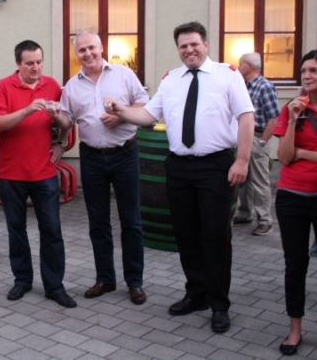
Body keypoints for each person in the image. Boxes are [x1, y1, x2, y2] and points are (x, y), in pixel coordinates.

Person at [108, 21, 254, 333]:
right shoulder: (171, 80)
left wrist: (242, 160)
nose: (189, 50)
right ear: (178, 49)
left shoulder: (228, 76)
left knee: (215, 237)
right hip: (178, 167)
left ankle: (219, 304)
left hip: (215, 166)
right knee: (186, 236)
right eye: (183, 46)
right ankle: (196, 294)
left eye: (194, 44)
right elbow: (147, 116)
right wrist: (121, 110)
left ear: (205, 45)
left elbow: (246, 117)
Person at [52, 30, 149, 306]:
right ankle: (105, 278)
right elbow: (67, 121)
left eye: (91, 48)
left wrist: (121, 117)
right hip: (92, 157)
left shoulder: (123, 75)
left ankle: (134, 282)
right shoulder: (71, 86)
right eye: (82, 50)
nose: (88, 53)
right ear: (76, 54)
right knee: (98, 222)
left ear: (101, 47)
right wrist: (55, 116)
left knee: (131, 220)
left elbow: (144, 104)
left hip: (125, 153)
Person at [0, 40, 76, 308]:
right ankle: (22, 281)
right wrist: (28, 109)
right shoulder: (4, 86)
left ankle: (55, 286)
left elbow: (66, 122)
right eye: (30, 63)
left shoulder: (51, 85)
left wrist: (60, 140)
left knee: (52, 230)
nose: (36, 67)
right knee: (16, 230)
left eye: (39, 62)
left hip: (44, 172)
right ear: (18, 64)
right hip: (11, 172)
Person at [273, 50, 317, 356]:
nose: (307, 76)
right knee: (295, 265)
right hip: (291, 196)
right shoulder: (293, 109)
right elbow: (285, 157)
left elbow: (297, 155)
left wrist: (304, 153)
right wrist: (292, 119)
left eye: (313, 70)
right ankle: (295, 330)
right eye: (303, 71)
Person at [234, 52, 279, 235]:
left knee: (259, 181)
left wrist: (262, 141)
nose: (238, 67)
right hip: (244, 136)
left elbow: (274, 118)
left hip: (258, 136)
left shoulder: (264, 87)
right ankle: (245, 213)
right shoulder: (244, 86)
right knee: (243, 179)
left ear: (249, 66)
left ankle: (265, 220)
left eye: (240, 64)